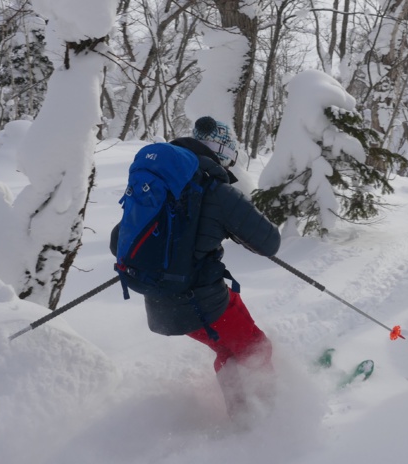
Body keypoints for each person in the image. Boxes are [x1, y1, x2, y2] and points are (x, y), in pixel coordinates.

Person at [109, 116, 281, 425]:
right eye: (230, 153)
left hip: (162, 306)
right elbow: (270, 242)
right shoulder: (218, 191)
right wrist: (227, 223)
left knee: (229, 351)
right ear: (222, 151)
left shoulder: (164, 188)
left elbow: (116, 241)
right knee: (257, 347)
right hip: (204, 303)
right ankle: (276, 413)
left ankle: (243, 417)